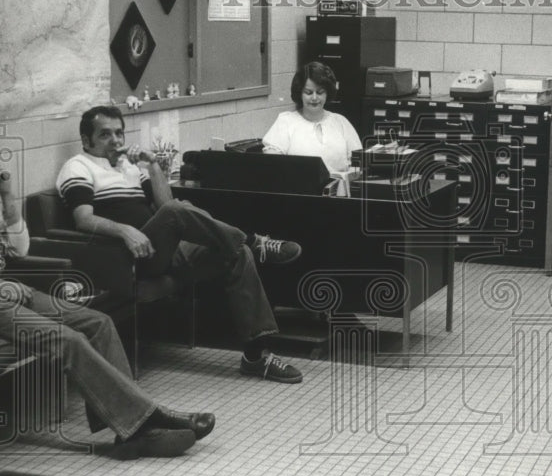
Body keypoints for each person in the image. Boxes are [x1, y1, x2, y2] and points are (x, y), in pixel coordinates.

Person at [0, 116, 215, 459]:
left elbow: (20, 249)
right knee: (68, 340)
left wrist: (7, 196)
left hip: (5, 286)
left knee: (97, 323)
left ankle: (132, 427)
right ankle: (142, 423)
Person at [56, 105, 304, 384]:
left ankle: (256, 356)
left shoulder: (127, 166)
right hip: (123, 258)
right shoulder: (77, 166)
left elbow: (164, 203)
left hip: (159, 248)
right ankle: (253, 239)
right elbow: (83, 219)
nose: (115, 141)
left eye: (119, 133)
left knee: (235, 252)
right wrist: (125, 231)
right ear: (87, 140)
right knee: (179, 213)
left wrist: (151, 165)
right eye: (105, 135)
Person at [262, 61, 362, 195]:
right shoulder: (286, 121)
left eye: (320, 92)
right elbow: (273, 162)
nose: (314, 98)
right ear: (300, 93)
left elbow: (359, 164)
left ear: (327, 93)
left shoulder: (341, 122)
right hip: (298, 197)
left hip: (339, 197)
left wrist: (348, 175)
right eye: (308, 92)